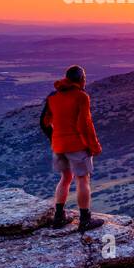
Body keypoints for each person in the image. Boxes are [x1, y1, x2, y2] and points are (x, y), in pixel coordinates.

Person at [40, 65, 103, 232]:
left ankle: (58, 217)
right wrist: (94, 147)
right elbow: (85, 125)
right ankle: (85, 220)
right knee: (82, 179)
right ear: (81, 79)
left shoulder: (53, 96)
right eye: (84, 79)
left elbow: (43, 122)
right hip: (77, 146)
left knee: (65, 178)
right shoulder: (82, 96)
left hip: (58, 146)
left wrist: (54, 138)